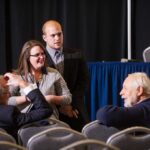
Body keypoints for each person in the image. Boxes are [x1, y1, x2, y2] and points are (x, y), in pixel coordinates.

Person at [42, 20, 89, 131]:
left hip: (74, 107)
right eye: (53, 35)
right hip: (50, 109)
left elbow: (83, 81)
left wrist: (69, 105)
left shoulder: (76, 54)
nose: (57, 38)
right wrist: (61, 106)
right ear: (44, 38)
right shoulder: (39, 57)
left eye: (59, 34)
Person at [8, 40, 72, 120]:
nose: (42, 57)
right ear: (28, 58)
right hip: (26, 120)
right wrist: (29, 98)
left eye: (42, 53)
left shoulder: (53, 73)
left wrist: (51, 98)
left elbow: (68, 98)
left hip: (50, 119)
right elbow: (6, 100)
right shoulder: (18, 76)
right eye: (37, 55)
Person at [0, 73, 53, 140]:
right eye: (7, 91)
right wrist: (22, 83)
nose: (10, 95)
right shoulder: (9, 114)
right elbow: (45, 110)